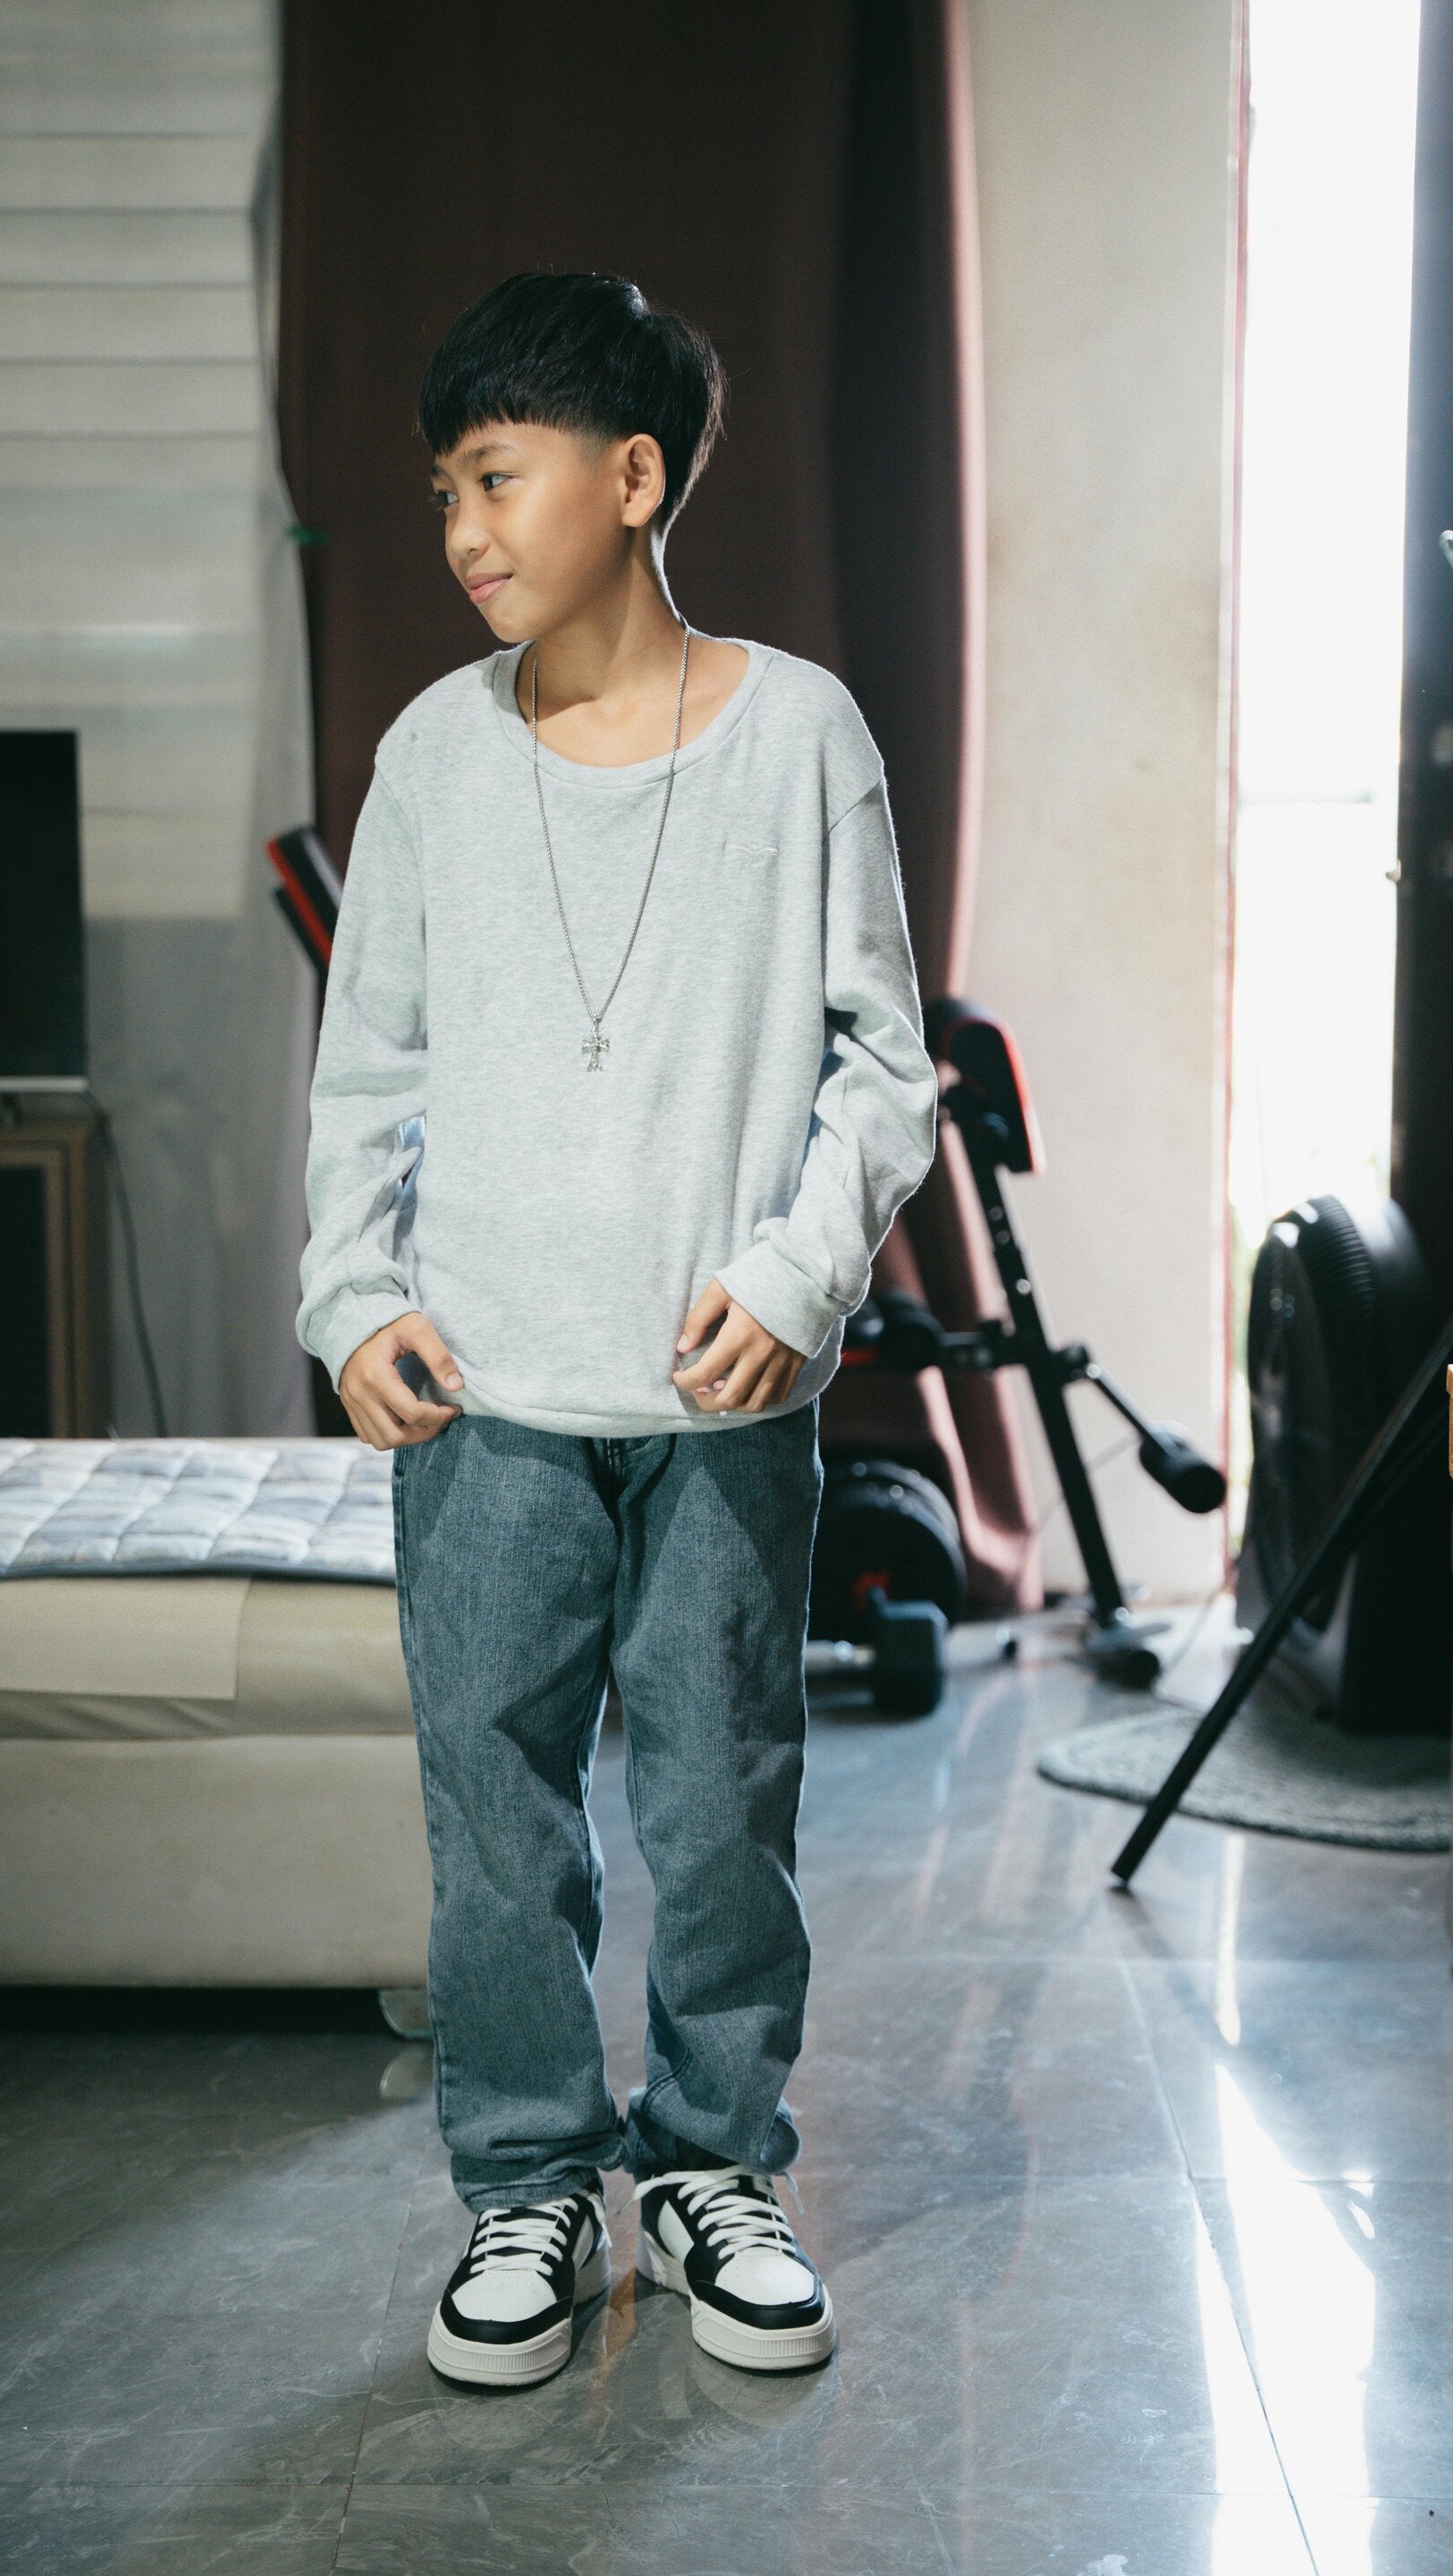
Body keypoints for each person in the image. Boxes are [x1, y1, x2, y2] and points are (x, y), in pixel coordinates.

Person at [296, 272, 939, 2389]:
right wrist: (352, 1295)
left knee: (724, 1809)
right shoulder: (430, 756)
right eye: (442, 491)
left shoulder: (801, 736)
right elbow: (366, 1070)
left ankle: (714, 2163)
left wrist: (796, 1280)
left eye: (497, 476)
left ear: (634, 476)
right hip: (484, 1405)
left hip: (722, 1403)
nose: (461, 528)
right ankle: (528, 2185)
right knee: (496, 1824)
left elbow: (886, 1071)